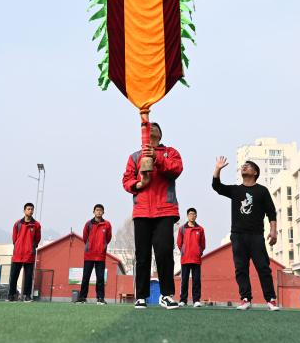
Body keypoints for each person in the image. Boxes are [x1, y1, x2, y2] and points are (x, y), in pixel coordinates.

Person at [121, 122, 183, 309]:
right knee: (142, 255)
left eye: (156, 127)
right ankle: (141, 296)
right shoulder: (135, 156)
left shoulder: (170, 152)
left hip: (165, 210)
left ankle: (166, 294)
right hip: (142, 211)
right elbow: (126, 180)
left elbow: (176, 169)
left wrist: (156, 157)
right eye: (150, 127)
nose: (153, 128)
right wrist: (139, 184)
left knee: (164, 252)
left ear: (160, 134)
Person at [211, 156, 280, 311]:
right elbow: (217, 186)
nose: (244, 167)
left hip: (256, 236)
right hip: (238, 235)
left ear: (255, 172)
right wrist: (218, 169)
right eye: (243, 165)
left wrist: (273, 231)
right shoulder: (236, 190)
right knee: (241, 268)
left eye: (248, 166)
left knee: (263, 267)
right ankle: (245, 299)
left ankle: (271, 300)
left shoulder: (262, 191)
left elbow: (271, 212)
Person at [78, 204, 112, 304]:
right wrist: (89, 247)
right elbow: (85, 237)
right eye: (97, 210)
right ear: (93, 212)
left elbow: (108, 238)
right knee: (86, 277)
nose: (99, 212)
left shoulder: (107, 224)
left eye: (101, 210)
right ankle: (82, 297)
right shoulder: (88, 224)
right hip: (89, 255)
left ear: (103, 212)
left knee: (100, 278)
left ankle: (100, 298)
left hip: (100, 256)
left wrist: (103, 246)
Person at [8, 202, 42, 301]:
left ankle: (27, 296)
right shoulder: (17, 223)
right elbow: (14, 238)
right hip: (17, 255)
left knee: (28, 277)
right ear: (24, 211)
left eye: (32, 209)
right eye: (28, 209)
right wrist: (18, 247)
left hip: (29, 255)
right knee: (13, 276)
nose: (30, 211)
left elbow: (37, 239)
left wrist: (31, 247)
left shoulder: (36, 225)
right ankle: (11, 295)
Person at [176, 207, 206, 307]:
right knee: (184, 280)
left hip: (196, 259)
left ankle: (196, 300)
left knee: (196, 280)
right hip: (185, 259)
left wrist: (199, 252)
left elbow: (203, 244)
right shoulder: (182, 229)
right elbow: (179, 243)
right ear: (187, 216)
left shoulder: (200, 229)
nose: (192, 216)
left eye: (193, 214)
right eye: (190, 214)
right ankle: (183, 300)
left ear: (196, 216)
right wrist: (183, 252)